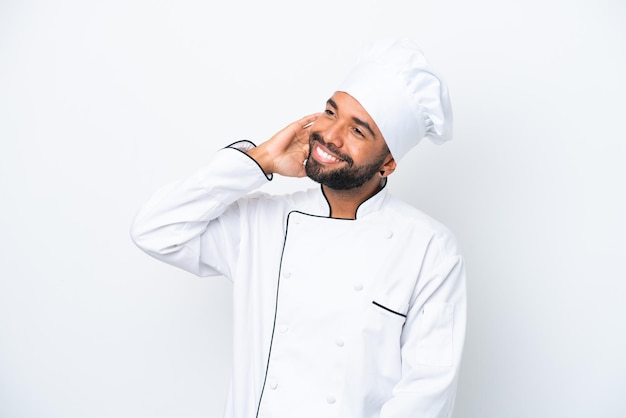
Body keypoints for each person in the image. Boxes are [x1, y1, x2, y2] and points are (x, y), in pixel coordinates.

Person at [131, 38, 466, 418]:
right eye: (330, 112)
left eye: (358, 131)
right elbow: (154, 230)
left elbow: (426, 394)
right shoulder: (261, 223)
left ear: (387, 163)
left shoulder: (429, 248)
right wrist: (260, 160)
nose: (331, 135)